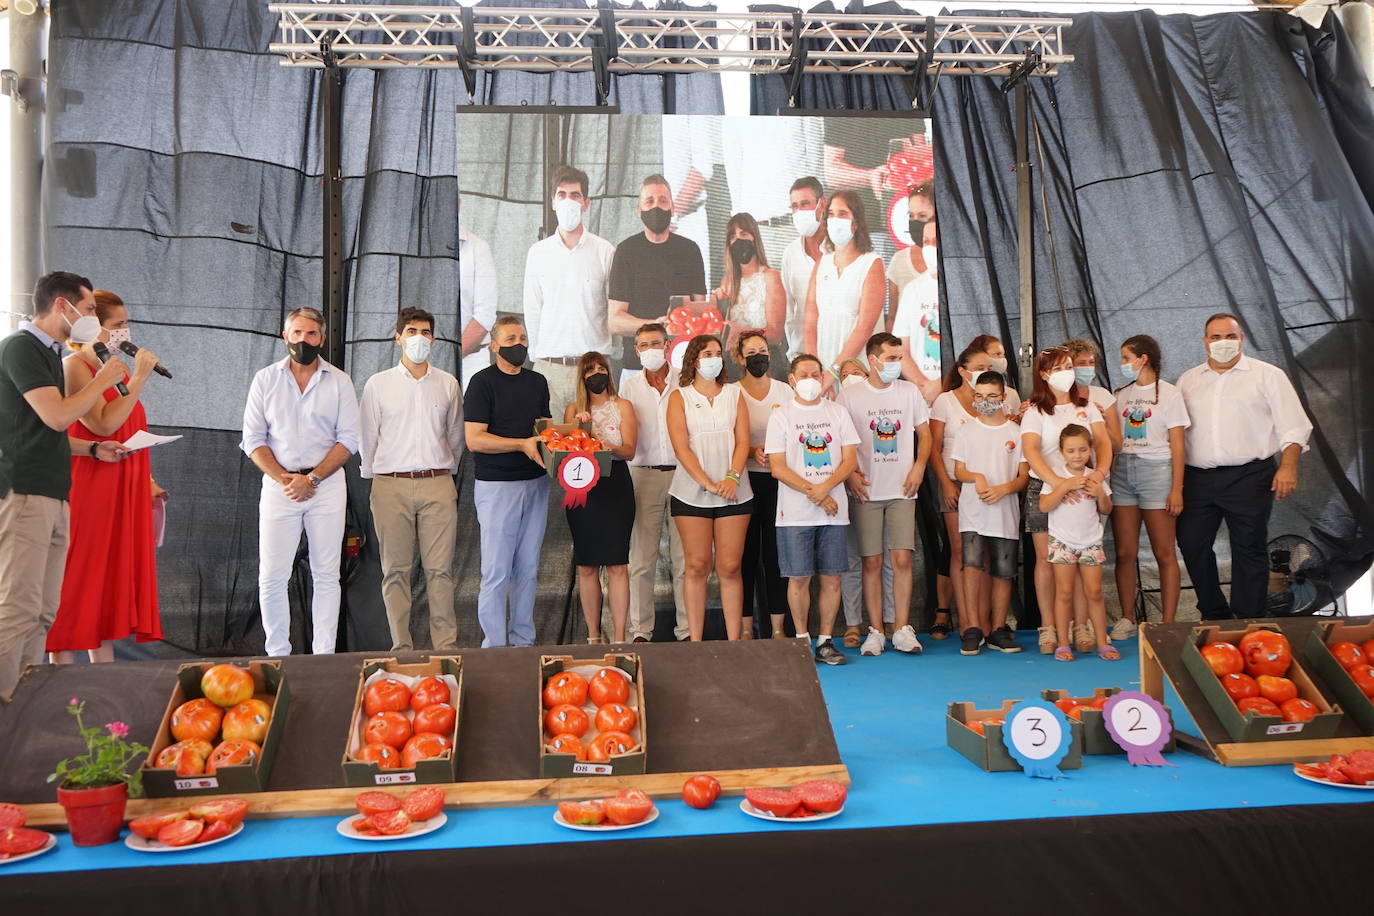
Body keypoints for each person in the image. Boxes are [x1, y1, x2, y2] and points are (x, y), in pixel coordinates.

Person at [0, 272, 129, 700]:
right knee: (17, 609)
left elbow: (47, 430)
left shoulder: (50, 354)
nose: (91, 317)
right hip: (24, 492)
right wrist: (103, 381)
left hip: (54, 492)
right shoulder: (21, 348)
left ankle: (26, 703)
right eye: (90, 309)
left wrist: (92, 452)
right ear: (62, 305)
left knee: (42, 613)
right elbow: (57, 415)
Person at [47, 290, 164, 663]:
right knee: (79, 576)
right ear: (93, 327)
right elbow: (103, 422)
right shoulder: (75, 367)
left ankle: (103, 676)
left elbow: (126, 426)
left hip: (120, 481)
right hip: (90, 483)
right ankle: (59, 678)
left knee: (107, 579)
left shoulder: (115, 369)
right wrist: (142, 377)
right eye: (118, 325)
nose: (125, 332)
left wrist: (146, 480)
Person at [1176, 313, 1312, 619]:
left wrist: (1288, 467)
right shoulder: (1188, 380)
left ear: (1242, 339)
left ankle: (1249, 618)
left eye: (1230, 336)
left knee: (1248, 547)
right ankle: (1214, 614)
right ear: (1204, 341)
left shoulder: (1268, 375)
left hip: (1250, 475)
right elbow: (1176, 432)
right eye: (1215, 337)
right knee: (1192, 543)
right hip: (1197, 477)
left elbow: (1294, 426)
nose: (1223, 342)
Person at [241, 308, 358, 656]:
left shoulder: (340, 381)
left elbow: (349, 439)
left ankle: (324, 656)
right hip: (281, 486)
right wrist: (286, 479)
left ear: (321, 339)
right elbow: (253, 439)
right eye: (297, 333)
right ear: (285, 336)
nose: (303, 340)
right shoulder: (265, 380)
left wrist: (314, 478)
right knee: (273, 576)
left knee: (326, 574)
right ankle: (278, 655)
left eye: (310, 334)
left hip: (327, 486)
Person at [359, 307, 464, 652]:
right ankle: (401, 647)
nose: (419, 337)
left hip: (437, 482)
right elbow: (367, 437)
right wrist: (373, 477)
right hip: (390, 484)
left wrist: (444, 472)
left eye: (425, 332)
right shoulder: (378, 384)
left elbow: (455, 436)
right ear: (398, 337)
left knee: (440, 572)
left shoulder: (447, 383)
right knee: (396, 571)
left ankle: (446, 647)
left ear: (433, 338)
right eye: (412, 331)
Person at [837, 332, 931, 656]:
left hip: (903, 489)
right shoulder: (850, 397)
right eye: (890, 358)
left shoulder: (909, 392)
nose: (896, 364)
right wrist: (849, 474)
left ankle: (902, 628)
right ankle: (875, 630)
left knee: (902, 557)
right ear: (873, 360)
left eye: (899, 357)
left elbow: (926, 435)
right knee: (872, 561)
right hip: (868, 489)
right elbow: (839, 440)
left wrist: (919, 467)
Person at [766, 353, 860, 666]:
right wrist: (817, 493)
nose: (810, 380)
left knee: (832, 578)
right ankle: (802, 640)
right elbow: (778, 467)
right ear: (792, 380)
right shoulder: (781, 415)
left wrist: (825, 489)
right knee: (799, 578)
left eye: (815, 374)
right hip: (794, 513)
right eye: (804, 374)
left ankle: (825, 641)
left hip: (834, 511)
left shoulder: (838, 412)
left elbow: (849, 461)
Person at [464, 316, 552, 647]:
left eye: (524, 338)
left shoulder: (537, 382)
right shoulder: (481, 383)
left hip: (536, 484)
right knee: (497, 572)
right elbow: (474, 439)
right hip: (497, 486)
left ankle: (523, 642)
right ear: (495, 346)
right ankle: (494, 646)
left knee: (527, 570)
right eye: (511, 338)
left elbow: (543, 428)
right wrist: (520, 445)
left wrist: (571, 434)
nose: (520, 344)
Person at [1021, 347, 1113, 654]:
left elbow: (1102, 442)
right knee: (1049, 560)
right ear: (1044, 375)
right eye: (1059, 368)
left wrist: (1099, 473)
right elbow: (1031, 450)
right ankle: (1049, 628)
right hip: (1045, 490)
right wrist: (1058, 484)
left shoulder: (1087, 407)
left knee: (1082, 557)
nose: (1067, 373)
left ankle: (1082, 625)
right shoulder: (1035, 411)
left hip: (1085, 492)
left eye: (1069, 367)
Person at [666, 335, 754, 640]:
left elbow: (743, 441)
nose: (714, 358)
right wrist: (707, 483)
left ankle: (734, 642)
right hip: (691, 493)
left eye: (718, 353)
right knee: (697, 565)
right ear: (694, 359)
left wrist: (731, 478)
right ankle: (696, 642)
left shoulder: (734, 394)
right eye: (707, 353)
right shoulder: (680, 397)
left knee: (730, 567)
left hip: (735, 493)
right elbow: (681, 447)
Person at [1110, 335, 1190, 636]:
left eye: (1126, 357)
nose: (1123, 364)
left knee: (1164, 551)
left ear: (1143, 359)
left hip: (1157, 471)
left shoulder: (1170, 395)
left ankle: (1167, 624)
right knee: (1124, 551)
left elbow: (1179, 446)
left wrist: (1177, 488)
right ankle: (1128, 618)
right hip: (1122, 471)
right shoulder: (1120, 395)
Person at [525, 165, 616, 418]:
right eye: (561, 194)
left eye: (575, 195)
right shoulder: (538, 253)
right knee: (550, 447)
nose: (568, 201)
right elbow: (533, 309)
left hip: (593, 369)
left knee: (596, 447)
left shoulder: (604, 251)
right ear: (553, 201)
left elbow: (613, 311)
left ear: (586, 203)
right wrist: (537, 358)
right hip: (549, 368)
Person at [951, 371, 1028, 655]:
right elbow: (959, 470)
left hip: (1005, 514)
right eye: (980, 396)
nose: (985, 402)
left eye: (992, 396)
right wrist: (977, 478)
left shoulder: (1016, 433)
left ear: (1004, 397)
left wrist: (1004, 489)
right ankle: (972, 627)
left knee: (1003, 572)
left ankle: (997, 628)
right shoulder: (966, 430)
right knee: (971, 566)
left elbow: (1023, 477)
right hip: (972, 513)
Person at [563, 351, 638, 643]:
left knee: (618, 564)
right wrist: (582, 431)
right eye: (589, 370)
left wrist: (604, 444)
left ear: (609, 371)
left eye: (601, 368)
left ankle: (620, 636)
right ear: (582, 377)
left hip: (616, 484)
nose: (596, 374)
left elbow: (630, 449)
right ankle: (593, 635)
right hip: (583, 488)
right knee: (587, 564)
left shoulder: (623, 406)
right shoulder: (573, 410)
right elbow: (566, 453)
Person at [621, 323, 687, 642]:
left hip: (683, 475)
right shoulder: (628, 388)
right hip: (642, 475)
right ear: (636, 351)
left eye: (655, 344)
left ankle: (687, 630)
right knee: (642, 559)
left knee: (684, 559)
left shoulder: (685, 383)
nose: (650, 350)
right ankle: (641, 631)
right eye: (643, 345)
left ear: (668, 345)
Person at [928, 345, 993, 640]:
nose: (984, 371)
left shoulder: (997, 399)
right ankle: (968, 622)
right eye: (978, 366)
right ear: (963, 371)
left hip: (989, 489)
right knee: (961, 552)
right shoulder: (945, 402)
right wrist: (945, 483)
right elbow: (934, 446)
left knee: (986, 556)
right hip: (956, 485)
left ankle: (987, 621)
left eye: (988, 366)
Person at [608, 173, 707, 367]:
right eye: (649, 201)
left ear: (673, 207)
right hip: (637, 365)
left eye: (662, 201)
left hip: (682, 363)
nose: (656, 207)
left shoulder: (690, 250)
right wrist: (655, 326)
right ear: (639, 209)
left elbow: (700, 309)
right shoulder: (626, 251)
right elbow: (615, 321)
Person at [1039, 425, 1118, 661]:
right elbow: (1044, 506)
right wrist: (1063, 487)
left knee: (1094, 592)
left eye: (1082, 450)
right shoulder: (1054, 476)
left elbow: (1106, 509)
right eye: (1071, 451)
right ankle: (1063, 643)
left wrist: (1101, 493)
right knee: (1064, 593)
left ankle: (1102, 642)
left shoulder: (1095, 477)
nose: (1077, 455)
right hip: (1062, 541)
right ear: (1062, 452)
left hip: (1091, 541)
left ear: (1090, 450)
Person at [835, 358, 895, 647]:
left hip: (882, 490)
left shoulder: (886, 403)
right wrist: (850, 478)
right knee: (851, 561)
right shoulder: (833, 409)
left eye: (855, 372)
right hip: (848, 491)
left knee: (885, 557)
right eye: (844, 375)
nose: (850, 378)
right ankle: (853, 624)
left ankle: (891, 620)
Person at [734, 330, 791, 640]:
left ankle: (779, 628)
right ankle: (745, 630)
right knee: (744, 557)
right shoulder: (731, 393)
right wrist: (748, 451)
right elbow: (725, 438)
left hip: (778, 483)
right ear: (740, 359)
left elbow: (798, 435)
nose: (759, 356)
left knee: (775, 556)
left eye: (763, 350)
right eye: (751, 351)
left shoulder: (784, 392)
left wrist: (776, 452)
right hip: (742, 483)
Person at [803, 190, 886, 381]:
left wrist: (834, 371)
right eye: (831, 214)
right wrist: (814, 371)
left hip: (856, 369)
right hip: (822, 369)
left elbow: (864, 327)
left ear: (855, 223)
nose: (835, 219)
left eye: (842, 214)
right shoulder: (822, 262)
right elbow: (809, 323)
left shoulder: (872, 263)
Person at [889, 184, 943, 403]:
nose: (930, 247)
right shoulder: (913, 289)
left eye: (936, 242)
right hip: (919, 393)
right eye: (926, 242)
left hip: (953, 391)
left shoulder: (963, 289)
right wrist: (924, 386)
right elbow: (902, 348)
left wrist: (941, 385)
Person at [714, 213, 785, 350]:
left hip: (763, 360)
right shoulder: (727, 281)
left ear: (755, 238)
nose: (738, 240)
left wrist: (740, 333)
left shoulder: (771, 277)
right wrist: (717, 305)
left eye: (744, 234)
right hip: (732, 361)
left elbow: (776, 335)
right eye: (733, 236)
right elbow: (720, 330)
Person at [780, 177, 831, 361]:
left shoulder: (841, 250)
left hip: (840, 357)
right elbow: (788, 312)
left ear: (822, 203)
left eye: (805, 204)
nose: (799, 211)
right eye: (794, 206)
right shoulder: (790, 254)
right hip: (802, 359)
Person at [458, 197, 498, 383]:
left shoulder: (478, 248)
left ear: (458, 203)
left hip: (472, 363)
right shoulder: (419, 247)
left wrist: (452, 356)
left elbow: (485, 315)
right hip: (426, 363)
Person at [1063, 338, 1122, 455]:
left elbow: (1117, 446)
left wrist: (1102, 423)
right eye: (1081, 363)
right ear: (1068, 367)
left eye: (1091, 362)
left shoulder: (1103, 395)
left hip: (1098, 468)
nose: (1088, 367)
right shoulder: (1056, 397)